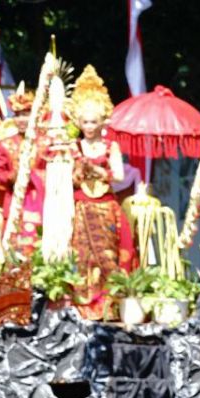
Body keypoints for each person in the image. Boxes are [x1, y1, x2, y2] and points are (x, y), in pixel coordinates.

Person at [67, 65, 136, 317]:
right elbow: (68, 179)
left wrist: (100, 173)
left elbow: (118, 176)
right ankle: (84, 307)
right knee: (82, 256)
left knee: (108, 255)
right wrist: (80, 171)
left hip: (106, 206)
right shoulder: (73, 147)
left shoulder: (110, 147)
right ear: (78, 122)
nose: (89, 126)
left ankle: (109, 305)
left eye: (93, 121)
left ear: (102, 122)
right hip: (82, 206)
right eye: (84, 122)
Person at [0, 83, 43, 256]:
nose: (21, 119)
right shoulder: (5, 144)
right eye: (17, 115)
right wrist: (13, 176)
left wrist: (35, 175)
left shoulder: (46, 143)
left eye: (26, 114)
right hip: (15, 204)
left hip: (41, 203)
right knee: (14, 252)